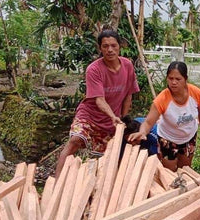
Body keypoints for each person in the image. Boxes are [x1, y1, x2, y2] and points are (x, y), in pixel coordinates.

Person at [56, 30, 139, 176]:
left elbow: (128, 96)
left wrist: (123, 119)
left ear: (120, 46)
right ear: (100, 48)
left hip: (112, 121)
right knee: (75, 141)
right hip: (89, 115)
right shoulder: (93, 69)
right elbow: (99, 100)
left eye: (113, 45)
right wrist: (113, 116)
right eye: (105, 46)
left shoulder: (128, 66)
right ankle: (56, 184)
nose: (110, 50)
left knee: (108, 156)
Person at [127, 61, 200, 171]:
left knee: (185, 168)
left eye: (178, 79)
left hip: (189, 137)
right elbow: (148, 122)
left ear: (185, 78)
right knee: (169, 170)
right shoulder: (162, 100)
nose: (174, 82)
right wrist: (142, 132)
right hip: (168, 139)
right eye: (170, 78)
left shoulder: (196, 94)